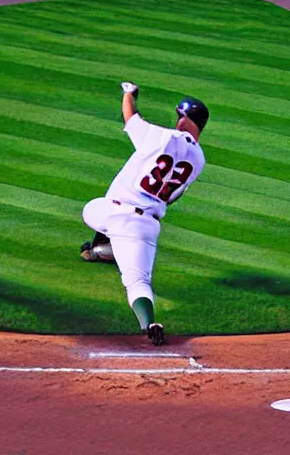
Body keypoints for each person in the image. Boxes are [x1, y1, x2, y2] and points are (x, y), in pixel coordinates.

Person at [80, 82, 209, 346]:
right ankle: (149, 322)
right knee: (139, 282)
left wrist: (129, 93)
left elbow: (131, 117)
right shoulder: (199, 159)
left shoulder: (160, 137)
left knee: (92, 207)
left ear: (185, 120)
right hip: (147, 226)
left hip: (112, 213)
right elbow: (173, 195)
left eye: (180, 117)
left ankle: (100, 250)